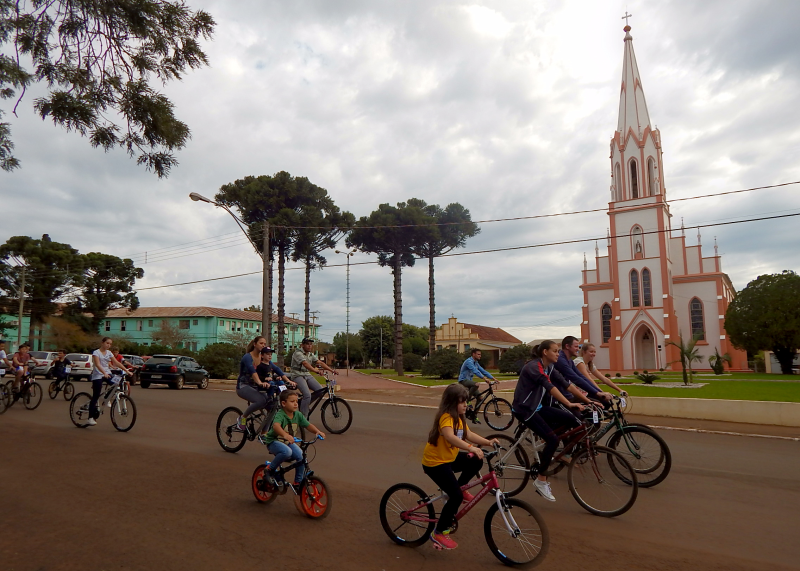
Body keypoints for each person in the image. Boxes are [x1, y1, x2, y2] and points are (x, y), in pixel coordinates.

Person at [422, 383, 499, 551]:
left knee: (476, 461)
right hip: (435, 463)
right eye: (462, 402)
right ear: (452, 403)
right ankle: (439, 532)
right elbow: (450, 437)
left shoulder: (459, 417)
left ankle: (461, 487)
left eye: (466, 401)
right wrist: (471, 448)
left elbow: (468, 434)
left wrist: (488, 442)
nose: (466, 405)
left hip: (449, 458)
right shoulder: (446, 417)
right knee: (455, 497)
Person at [512, 341, 589, 502]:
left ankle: (549, 444)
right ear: (545, 352)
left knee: (572, 419)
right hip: (525, 409)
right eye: (555, 351)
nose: (558, 354)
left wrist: (589, 400)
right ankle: (541, 480)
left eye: (558, 351)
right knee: (553, 440)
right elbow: (550, 387)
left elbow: (566, 385)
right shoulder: (534, 367)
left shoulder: (550, 367)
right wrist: (569, 403)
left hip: (537, 408)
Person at [261, 389, 326, 492]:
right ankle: (269, 469)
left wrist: (317, 431)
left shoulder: (297, 415)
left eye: (296, 401)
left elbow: (308, 425)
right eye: (292, 401)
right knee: (287, 452)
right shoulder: (280, 414)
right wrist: (285, 435)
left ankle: (298, 482)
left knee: (300, 456)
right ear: (283, 403)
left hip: (287, 441)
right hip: (274, 441)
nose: (296, 404)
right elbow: (276, 426)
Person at [554, 336, 613, 405]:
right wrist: (597, 393)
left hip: (567, 394)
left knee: (603, 403)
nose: (578, 349)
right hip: (560, 397)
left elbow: (581, 376)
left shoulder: (569, 361)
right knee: (598, 405)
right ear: (567, 346)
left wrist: (599, 392)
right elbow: (576, 378)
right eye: (576, 347)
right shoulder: (561, 360)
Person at [289, 338, 338, 418]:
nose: (309, 346)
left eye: (311, 344)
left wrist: (331, 370)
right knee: (307, 395)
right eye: (307, 344)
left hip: (307, 374)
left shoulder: (310, 354)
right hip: (297, 375)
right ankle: (303, 417)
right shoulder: (298, 353)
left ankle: (304, 403)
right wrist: (316, 371)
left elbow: (320, 363)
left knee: (320, 391)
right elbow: (305, 363)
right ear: (302, 345)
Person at [89, 337, 131, 426]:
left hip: (107, 373)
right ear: (102, 343)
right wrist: (103, 373)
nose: (109, 345)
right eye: (107, 343)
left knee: (117, 383)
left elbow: (116, 363)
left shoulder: (109, 353)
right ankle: (90, 418)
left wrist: (126, 371)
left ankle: (106, 398)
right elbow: (97, 364)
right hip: (98, 375)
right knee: (96, 395)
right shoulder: (96, 352)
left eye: (110, 344)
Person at [235, 336, 273, 433]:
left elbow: (275, 369)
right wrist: (260, 382)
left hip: (255, 386)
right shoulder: (247, 357)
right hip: (243, 386)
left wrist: (287, 379)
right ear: (255, 344)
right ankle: (242, 418)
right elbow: (253, 372)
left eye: (264, 344)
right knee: (261, 400)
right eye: (261, 343)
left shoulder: (262, 357)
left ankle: (264, 433)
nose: (263, 345)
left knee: (272, 406)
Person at [458, 348, 496, 424]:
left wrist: (493, 378)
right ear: (473, 354)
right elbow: (475, 371)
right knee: (476, 384)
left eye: (480, 354)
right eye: (478, 354)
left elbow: (483, 371)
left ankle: (474, 416)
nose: (480, 356)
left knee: (480, 398)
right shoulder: (469, 362)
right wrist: (484, 379)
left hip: (470, 382)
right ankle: (468, 400)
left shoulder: (476, 363)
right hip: (463, 381)